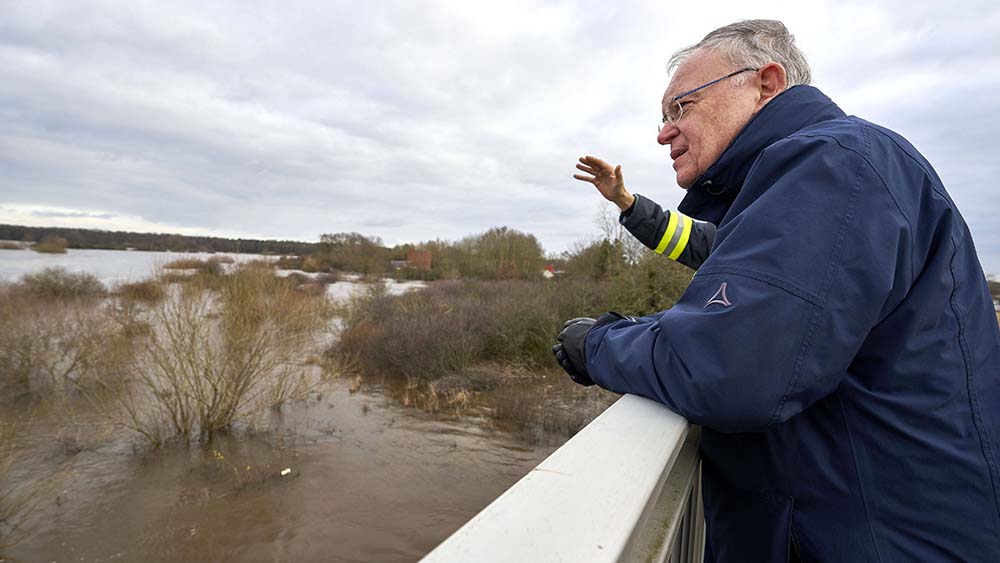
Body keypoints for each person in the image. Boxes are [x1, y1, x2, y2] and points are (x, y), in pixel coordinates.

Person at [552, 19, 1000, 562]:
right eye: (663, 118)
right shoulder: (815, 179)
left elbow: (728, 366)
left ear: (765, 83)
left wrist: (597, 343)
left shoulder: (832, 165)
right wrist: (629, 207)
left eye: (681, 107)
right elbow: (711, 252)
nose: (664, 133)